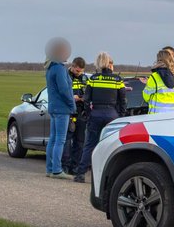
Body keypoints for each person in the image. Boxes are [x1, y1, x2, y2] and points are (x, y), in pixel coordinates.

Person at [74, 52, 126, 183]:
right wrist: (120, 115)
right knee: (112, 146)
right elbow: (123, 100)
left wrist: (88, 113)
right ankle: (110, 177)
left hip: (96, 114)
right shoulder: (117, 80)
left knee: (89, 145)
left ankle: (80, 174)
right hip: (112, 115)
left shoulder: (93, 79)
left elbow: (86, 99)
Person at [43, 37, 74, 178]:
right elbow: (64, 89)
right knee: (60, 139)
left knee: (53, 138)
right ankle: (57, 169)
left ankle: (50, 169)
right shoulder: (60, 69)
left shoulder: (50, 68)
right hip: (62, 108)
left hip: (53, 107)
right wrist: (71, 104)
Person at [62, 56, 88, 174]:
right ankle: (65, 166)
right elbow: (61, 94)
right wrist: (72, 98)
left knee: (80, 141)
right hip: (68, 112)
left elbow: (88, 93)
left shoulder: (84, 78)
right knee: (67, 140)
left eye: (81, 71)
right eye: (77, 70)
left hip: (81, 112)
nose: (79, 73)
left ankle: (75, 167)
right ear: (72, 67)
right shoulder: (65, 77)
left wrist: (84, 98)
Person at [143, 48, 174, 114]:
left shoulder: (154, 77)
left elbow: (146, 97)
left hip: (156, 116)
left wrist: (147, 83)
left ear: (158, 60)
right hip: (173, 115)